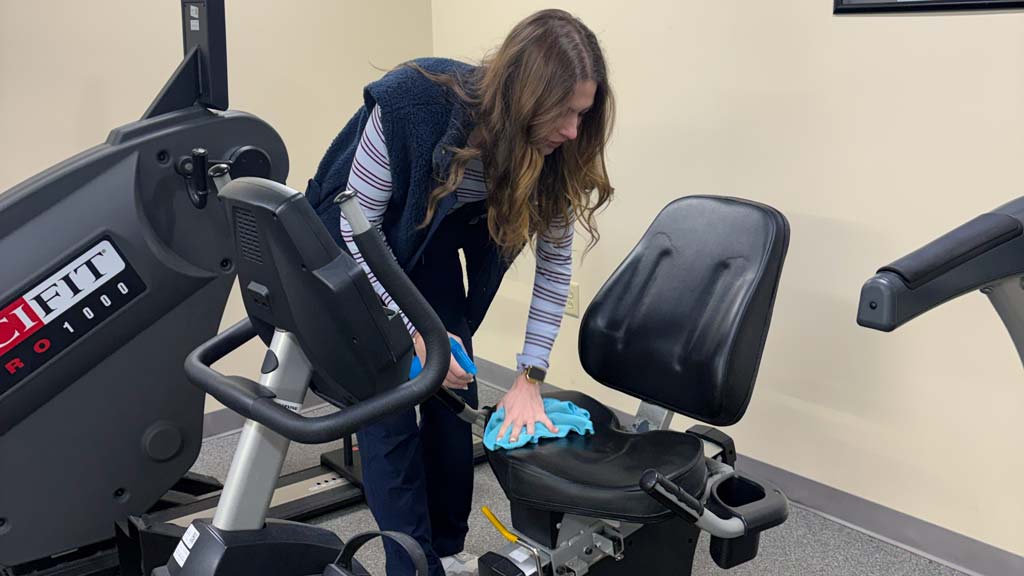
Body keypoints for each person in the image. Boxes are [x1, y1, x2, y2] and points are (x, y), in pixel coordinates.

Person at [305, 8, 614, 575]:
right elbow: (356, 231)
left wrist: (530, 378)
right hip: (354, 243)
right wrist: (410, 333)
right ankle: (412, 567)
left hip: (432, 238)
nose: (574, 130)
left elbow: (554, 269)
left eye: (583, 113)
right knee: (390, 408)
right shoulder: (410, 103)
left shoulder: (557, 154)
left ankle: (446, 550)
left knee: (453, 390)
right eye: (565, 112)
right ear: (524, 95)